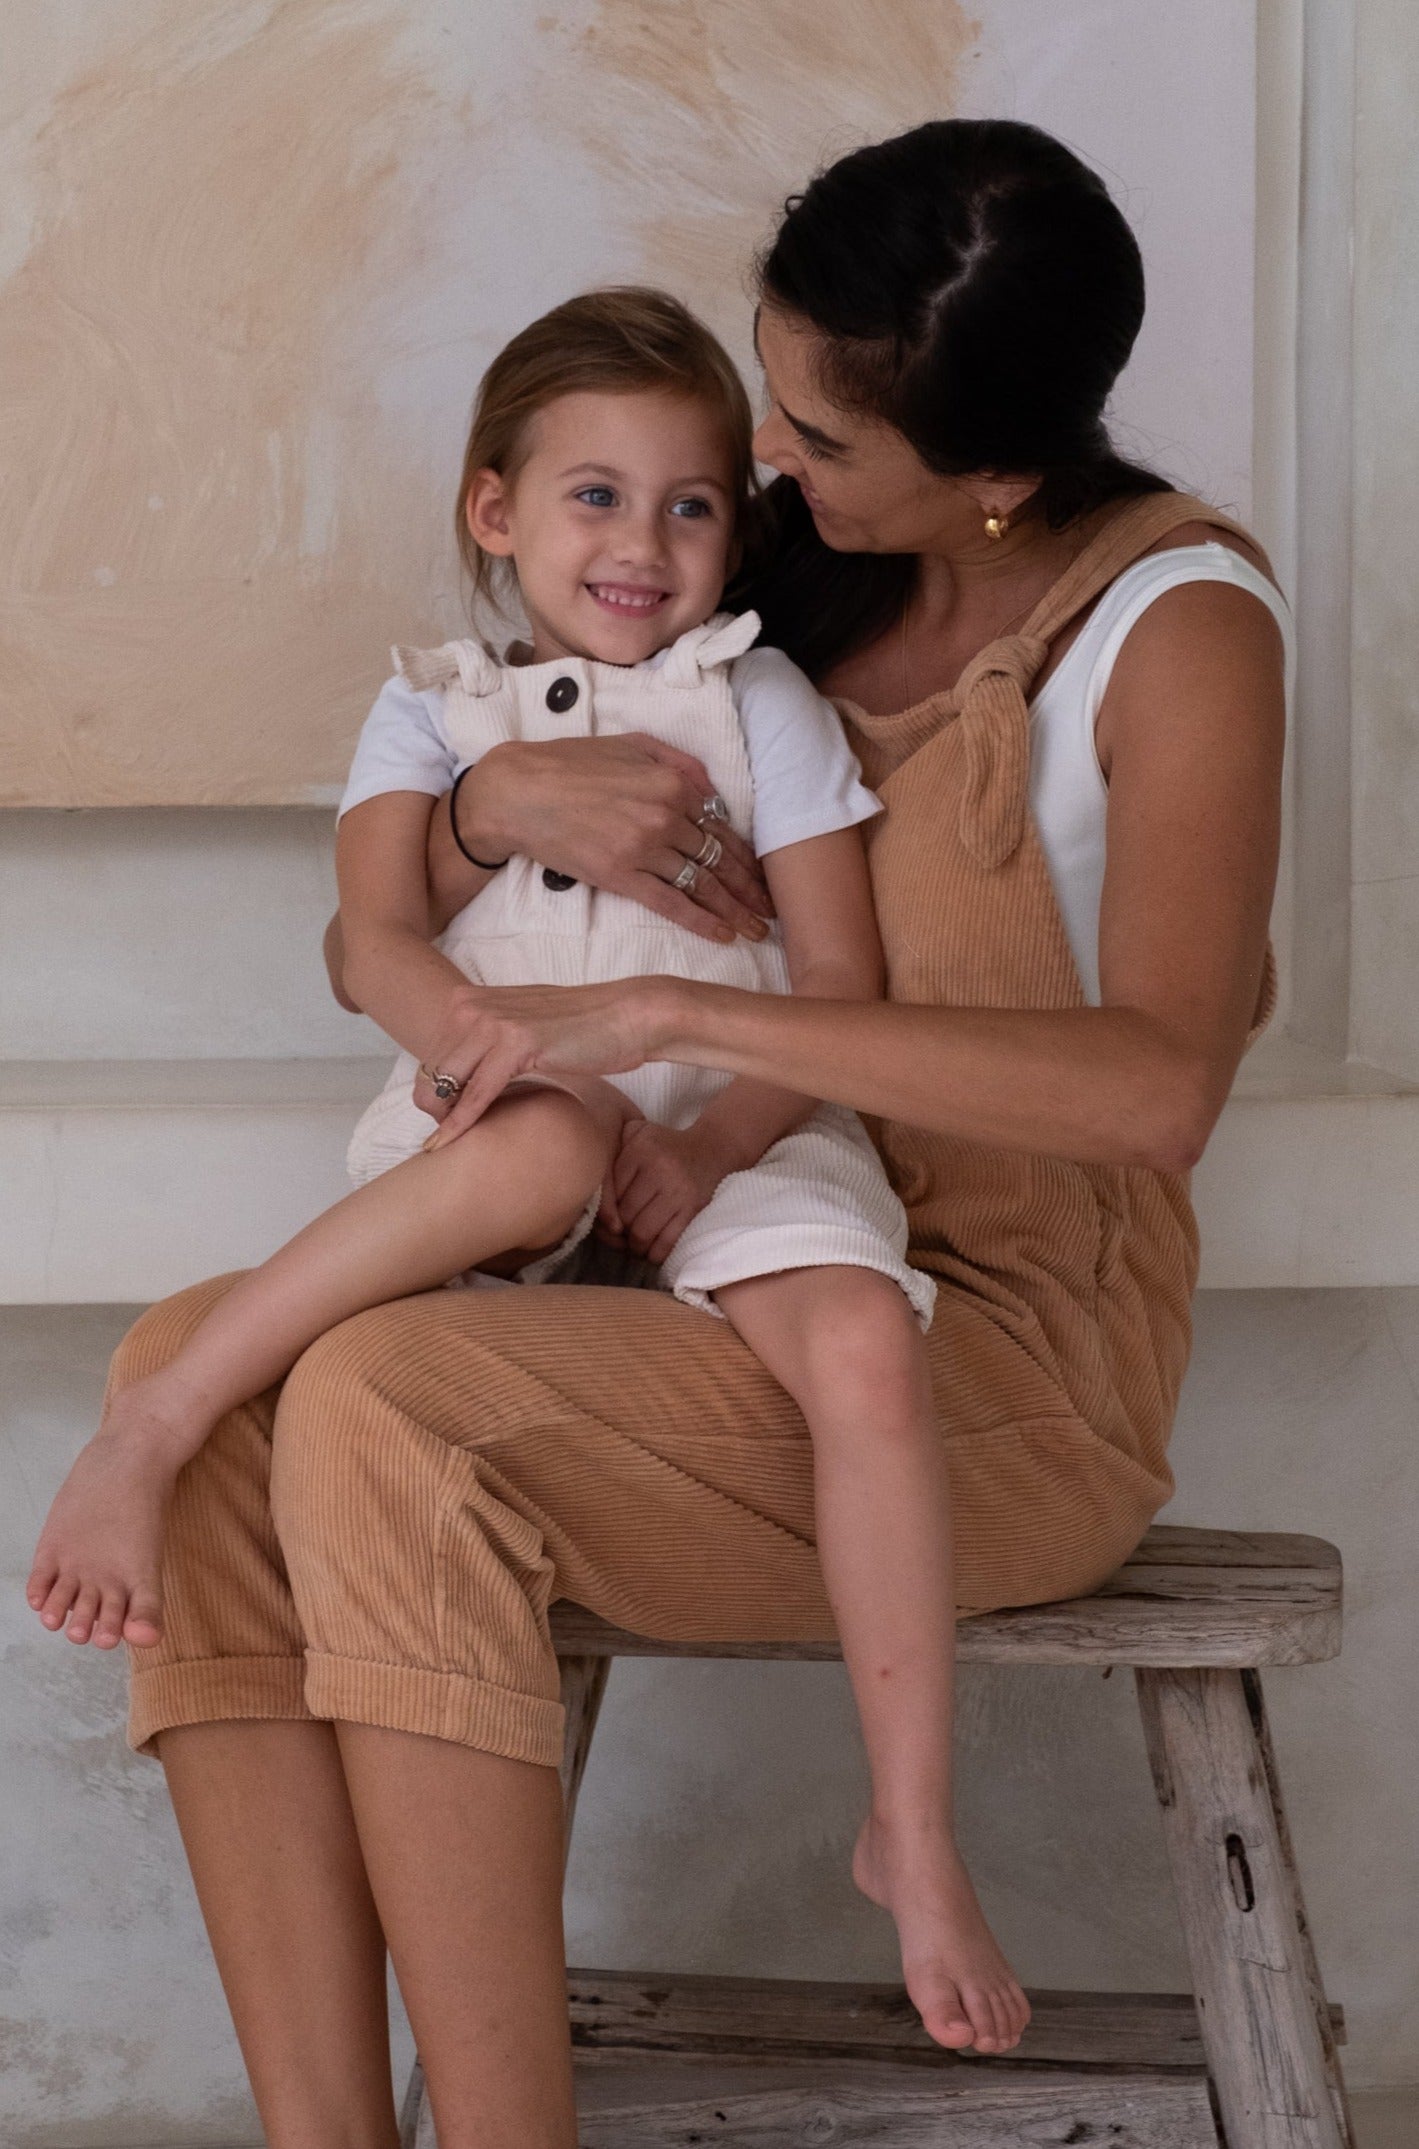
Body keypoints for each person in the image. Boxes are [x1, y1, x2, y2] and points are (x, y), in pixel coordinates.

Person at [27, 117, 1291, 2149]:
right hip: (670, 1255)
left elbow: (1157, 1087)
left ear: (990, 475)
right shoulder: (785, 565)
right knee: (183, 1373)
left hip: (990, 1353)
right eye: (769, 406)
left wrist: (685, 1022)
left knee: (383, 1412)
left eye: (817, 438)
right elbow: (458, 807)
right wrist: (481, 818)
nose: (772, 473)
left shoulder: (1177, 630)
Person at [31, 278, 1016, 2043]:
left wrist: (708, 1147)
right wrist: (500, 1065)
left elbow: (842, 985)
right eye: (593, 493)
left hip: (740, 1138)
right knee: (548, 1126)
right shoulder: (431, 712)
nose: (643, 541)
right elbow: (380, 945)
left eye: (691, 502)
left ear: (738, 529)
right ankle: (160, 1424)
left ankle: (916, 1828)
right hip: (494, 1142)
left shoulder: (761, 699)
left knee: (867, 1343)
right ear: (495, 508)